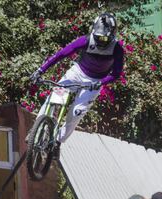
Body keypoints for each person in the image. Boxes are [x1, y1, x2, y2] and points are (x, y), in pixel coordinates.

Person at [29, 12, 124, 156]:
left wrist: (101, 82)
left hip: (95, 82)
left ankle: (58, 141)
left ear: (113, 34)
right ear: (93, 32)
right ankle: (35, 131)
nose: (101, 41)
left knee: (76, 113)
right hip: (77, 73)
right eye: (98, 37)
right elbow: (61, 54)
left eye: (105, 38)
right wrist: (40, 70)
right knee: (55, 96)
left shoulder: (117, 49)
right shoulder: (85, 40)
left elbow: (116, 73)